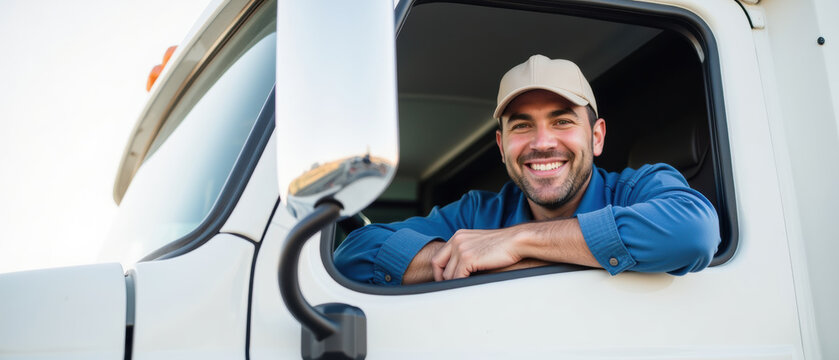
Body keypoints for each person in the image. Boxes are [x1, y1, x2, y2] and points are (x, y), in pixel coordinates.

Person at [334, 54, 720, 285]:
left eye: (563, 121)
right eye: (521, 126)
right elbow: (354, 256)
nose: (542, 142)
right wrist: (460, 254)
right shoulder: (477, 213)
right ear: (502, 148)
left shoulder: (639, 187)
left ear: (597, 137)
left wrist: (516, 243)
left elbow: (693, 230)